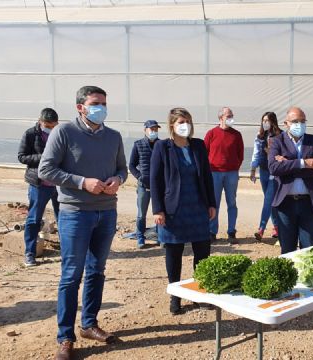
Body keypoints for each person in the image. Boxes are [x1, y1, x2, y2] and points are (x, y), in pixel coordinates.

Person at [38, 85, 127, 360]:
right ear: (81, 107)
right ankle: (65, 337)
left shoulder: (113, 136)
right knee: (71, 275)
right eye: (95, 103)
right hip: (75, 212)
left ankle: (89, 324)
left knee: (97, 270)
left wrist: (118, 180)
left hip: (106, 212)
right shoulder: (64, 133)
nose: (101, 108)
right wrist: (82, 182)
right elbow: (46, 169)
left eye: (103, 103)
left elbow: (122, 168)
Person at [150, 107, 216, 315]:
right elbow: (155, 179)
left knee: (202, 252)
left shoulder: (198, 146)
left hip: (197, 206)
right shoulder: (163, 147)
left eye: (187, 120)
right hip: (173, 209)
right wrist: (158, 209)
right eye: (180, 121)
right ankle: (175, 296)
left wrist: (211, 203)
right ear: (172, 125)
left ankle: (200, 292)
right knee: (174, 253)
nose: (184, 124)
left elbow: (206, 176)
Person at [269, 107, 313, 254]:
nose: (299, 124)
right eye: (295, 121)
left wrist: (288, 164)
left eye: (302, 121)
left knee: (308, 249)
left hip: (308, 202)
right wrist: (304, 163)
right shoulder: (276, 142)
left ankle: (306, 278)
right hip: (286, 203)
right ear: (286, 123)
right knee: (287, 249)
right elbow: (274, 168)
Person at [17, 108, 60, 267]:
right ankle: (30, 253)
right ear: (40, 121)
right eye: (47, 125)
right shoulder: (30, 134)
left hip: (59, 183)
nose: (50, 128)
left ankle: (67, 251)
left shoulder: (61, 133)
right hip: (39, 183)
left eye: (53, 125)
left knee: (63, 217)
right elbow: (22, 156)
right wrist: (44, 157)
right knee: (34, 219)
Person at [204, 106, 244, 244]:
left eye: (232, 115)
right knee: (213, 203)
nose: (231, 118)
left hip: (231, 174)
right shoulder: (211, 133)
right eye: (229, 116)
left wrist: (234, 168)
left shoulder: (236, 135)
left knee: (232, 202)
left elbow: (240, 154)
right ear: (221, 118)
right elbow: (204, 153)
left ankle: (231, 231)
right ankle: (211, 231)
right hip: (214, 173)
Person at [128, 119, 161, 249]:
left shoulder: (162, 144)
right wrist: (139, 177)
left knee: (159, 212)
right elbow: (131, 165)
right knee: (141, 213)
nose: (154, 131)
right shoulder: (138, 145)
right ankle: (140, 236)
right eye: (151, 129)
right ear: (145, 130)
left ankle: (160, 236)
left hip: (159, 186)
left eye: (156, 129)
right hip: (144, 185)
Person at [250, 111, 282, 241]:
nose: (265, 123)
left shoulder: (281, 135)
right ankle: (276, 227)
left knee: (268, 200)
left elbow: (285, 152)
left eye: (267, 120)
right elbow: (256, 152)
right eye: (263, 121)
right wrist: (253, 169)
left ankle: (261, 228)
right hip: (264, 170)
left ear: (273, 121)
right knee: (271, 201)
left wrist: (273, 154)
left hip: (275, 172)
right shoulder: (260, 135)